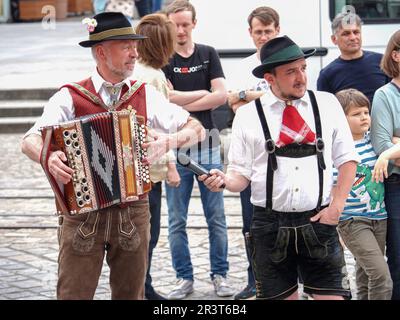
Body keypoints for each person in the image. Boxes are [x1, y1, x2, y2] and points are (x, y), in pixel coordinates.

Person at [20, 11, 205, 300]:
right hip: (83, 217)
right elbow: (30, 139)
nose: (135, 53)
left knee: (131, 295)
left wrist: (170, 140)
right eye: (126, 46)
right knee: (73, 294)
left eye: (135, 46)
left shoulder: (144, 94)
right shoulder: (70, 96)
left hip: (133, 213)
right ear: (101, 52)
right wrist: (48, 157)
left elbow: (197, 129)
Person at [200, 35, 360, 300]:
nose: (301, 77)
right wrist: (224, 180)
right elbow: (240, 176)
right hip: (269, 225)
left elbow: (348, 159)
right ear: (269, 78)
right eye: (290, 72)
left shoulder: (327, 104)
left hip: (319, 221)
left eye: (303, 68)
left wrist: (337, 207)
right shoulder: (248, 115)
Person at [162, 0, 234, 299]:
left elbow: (221, 97)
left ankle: (220, 274)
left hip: (208, 145)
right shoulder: (164, 58)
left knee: (216, 217)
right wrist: (203, 94)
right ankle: (184, 277)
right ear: (168, 25)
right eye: (175, 25)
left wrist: (183, 99)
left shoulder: (208, 53)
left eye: (185, 24)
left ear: (194, 23)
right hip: (175, 149)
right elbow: (164, 99)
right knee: (176, 220)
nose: (180, 30)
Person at [225, 6, 280, 300]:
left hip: (284, 157)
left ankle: (290, 281)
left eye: (268, 31)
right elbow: (234, 105)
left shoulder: (287, 61)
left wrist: (248, 95)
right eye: (258, 31)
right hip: (251, 156)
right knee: (252, 223)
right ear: (251, 33)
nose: (263, 36)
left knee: (285, 222)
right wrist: (262, 98)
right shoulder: (241, 66)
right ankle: (255, 280)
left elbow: (287, 97)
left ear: (277, 31)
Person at [131, 13, 178, 300]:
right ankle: (143, 288)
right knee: (150, 233)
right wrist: (171, 167)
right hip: (152, 169)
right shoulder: (155, 77)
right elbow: (164, 127)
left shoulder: (133, 71)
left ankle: (137, 286)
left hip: (131, 167)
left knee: (137, 233)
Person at [334, 88, 392, 300]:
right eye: (356, 114)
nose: (364, 117)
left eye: (366, 112)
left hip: (379, 218)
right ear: (342, 118)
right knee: (380, 275)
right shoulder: (337, 148)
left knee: (365, 273)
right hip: (352, 221)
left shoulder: (373, 140)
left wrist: (386, 154)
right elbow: (331, 187)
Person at [371, 29, 400, 300]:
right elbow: (382, 147)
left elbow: (392, 148)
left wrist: (397, 142)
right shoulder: (384, 96)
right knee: (399, 260)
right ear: (396, 55)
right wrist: (391, 147)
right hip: (396, 187)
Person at [317, 12, 390, 103]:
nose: (353, 37)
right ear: (334, 39)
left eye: (356, 32)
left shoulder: (382, 61)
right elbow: (325, 109)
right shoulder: (327, 74)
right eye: (346, 34)